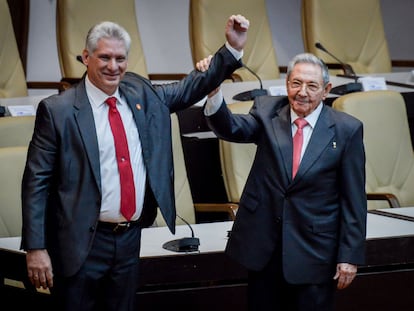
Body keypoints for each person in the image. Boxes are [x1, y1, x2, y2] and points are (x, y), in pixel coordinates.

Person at [21, 15, 249, 311]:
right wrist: (36, 247)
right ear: (86, 57)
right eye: (104, 57)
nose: (113, 66)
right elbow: (36, 181)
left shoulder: (140, 92)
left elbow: (189, 88)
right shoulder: (58, 110)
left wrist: (230, 50)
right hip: (80, 243)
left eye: (120, 58)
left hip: (128, 239)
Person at [197, 52, 367, 310]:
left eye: (312, 86)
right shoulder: (267, 112)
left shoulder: (347, 129)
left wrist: (349, 256)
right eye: (296, 83)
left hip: (315, 252)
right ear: (287, 84)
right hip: (266, 250)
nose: (302, 92)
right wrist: (213, 91)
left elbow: (354, 199)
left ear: (326, 90)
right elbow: (229, 127)